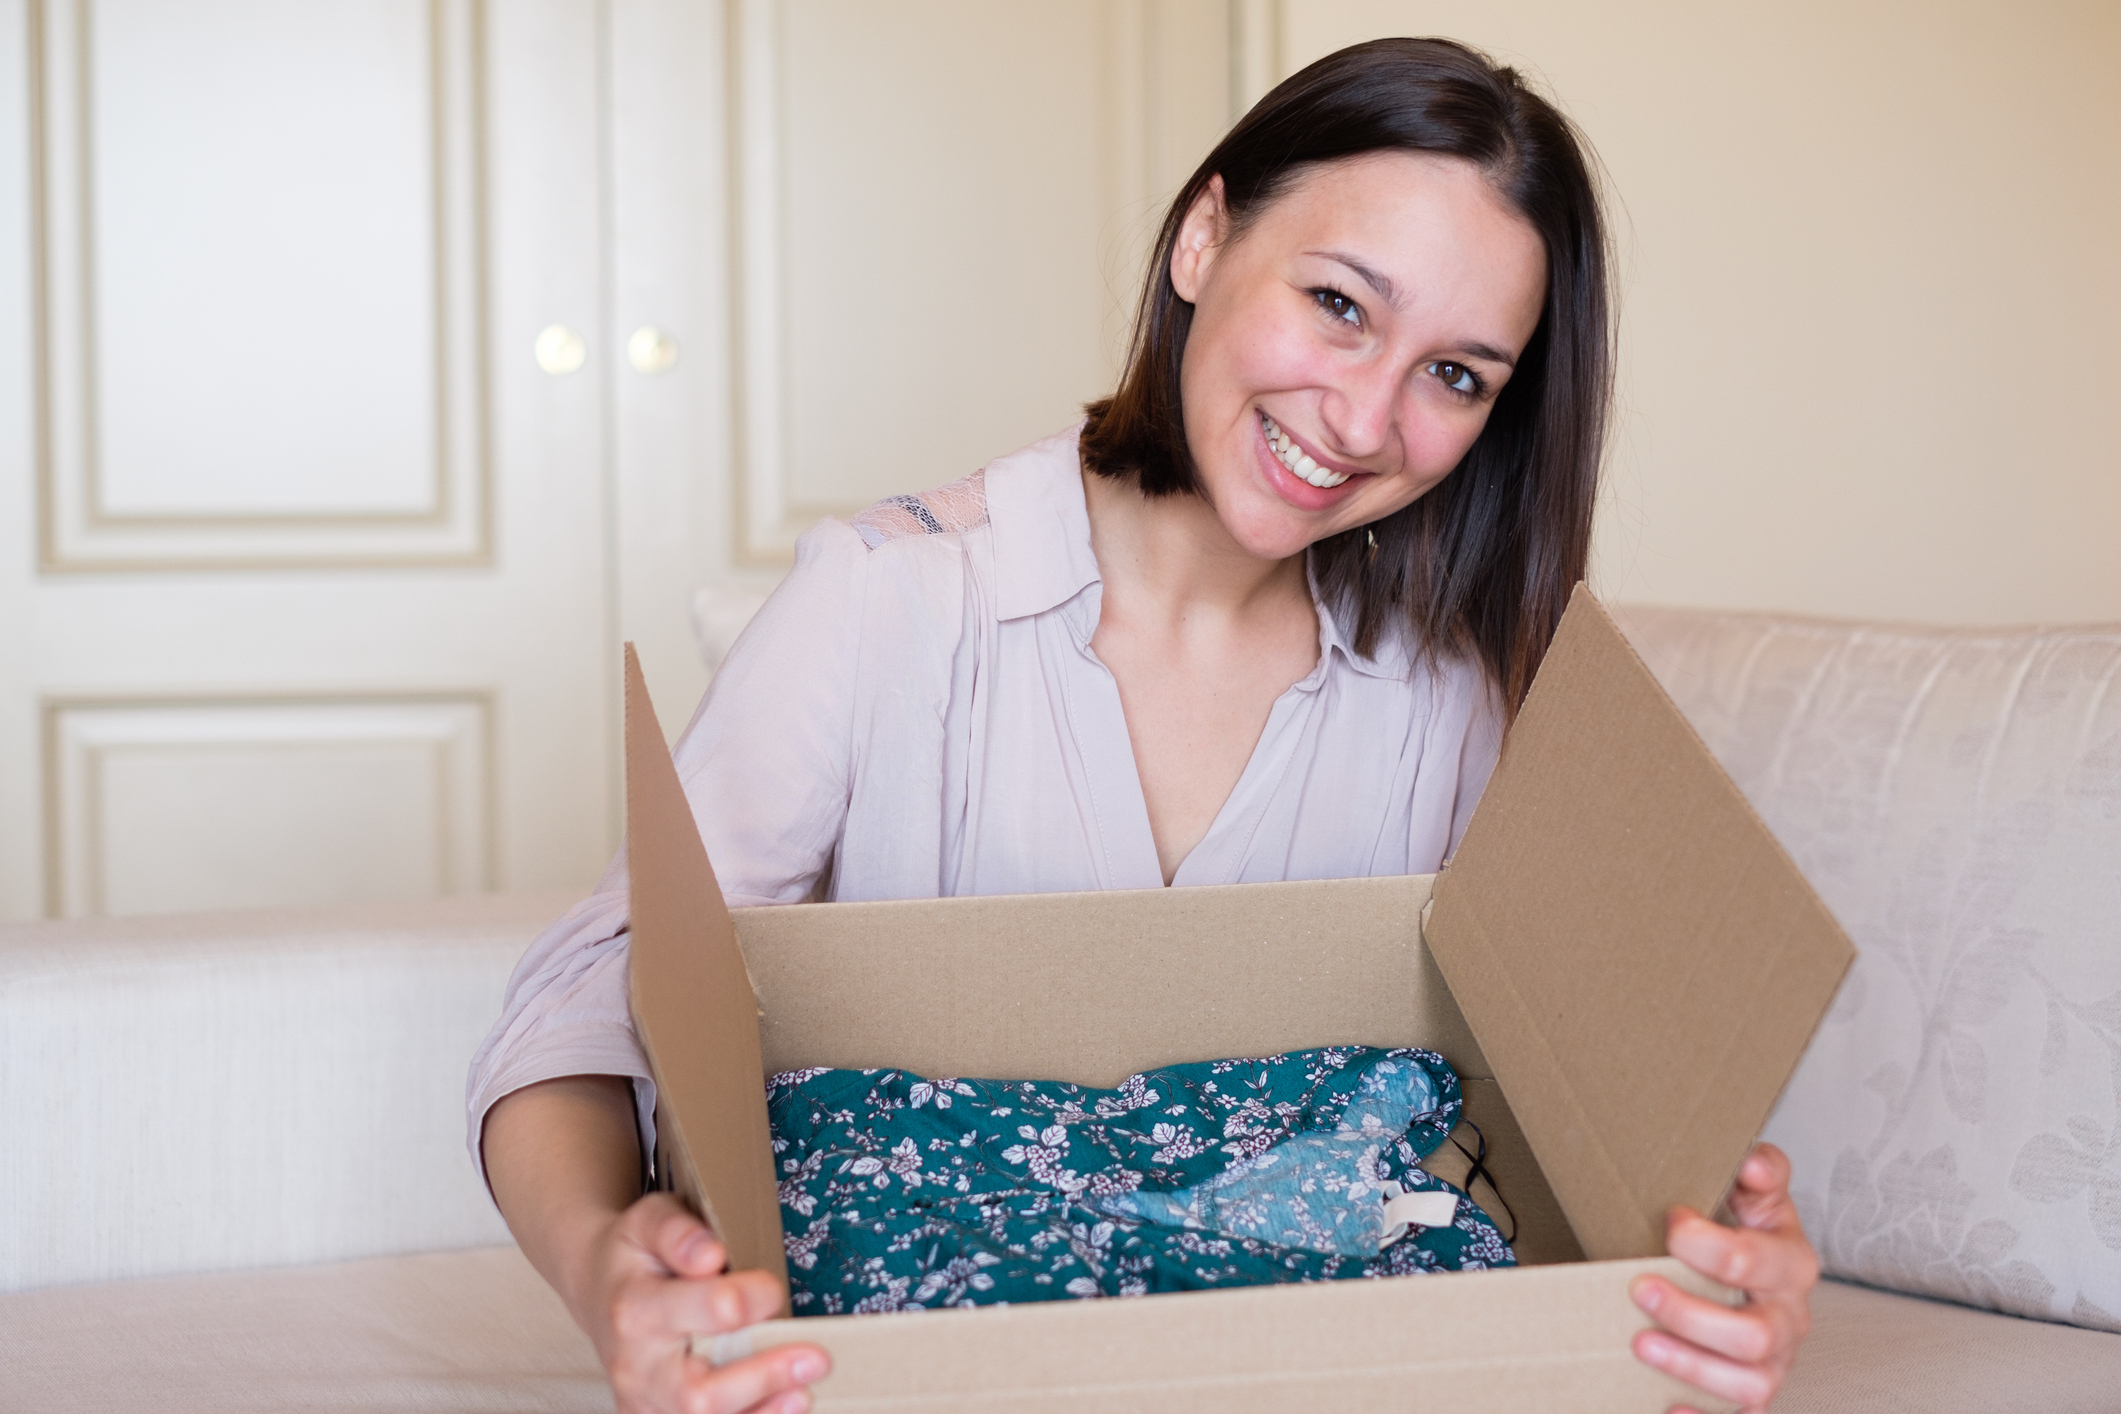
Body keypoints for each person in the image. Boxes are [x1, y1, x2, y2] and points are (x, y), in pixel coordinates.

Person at [471, 37, 1818, 1414]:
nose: (1364, 419)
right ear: (1202, 238)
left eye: (1456, 375)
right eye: (1339, 304)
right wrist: (609, 1268)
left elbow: (1544, 1105)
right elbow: (598, 993)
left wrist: (1709, 1269)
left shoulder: (1453, 699)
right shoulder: (892, 599)